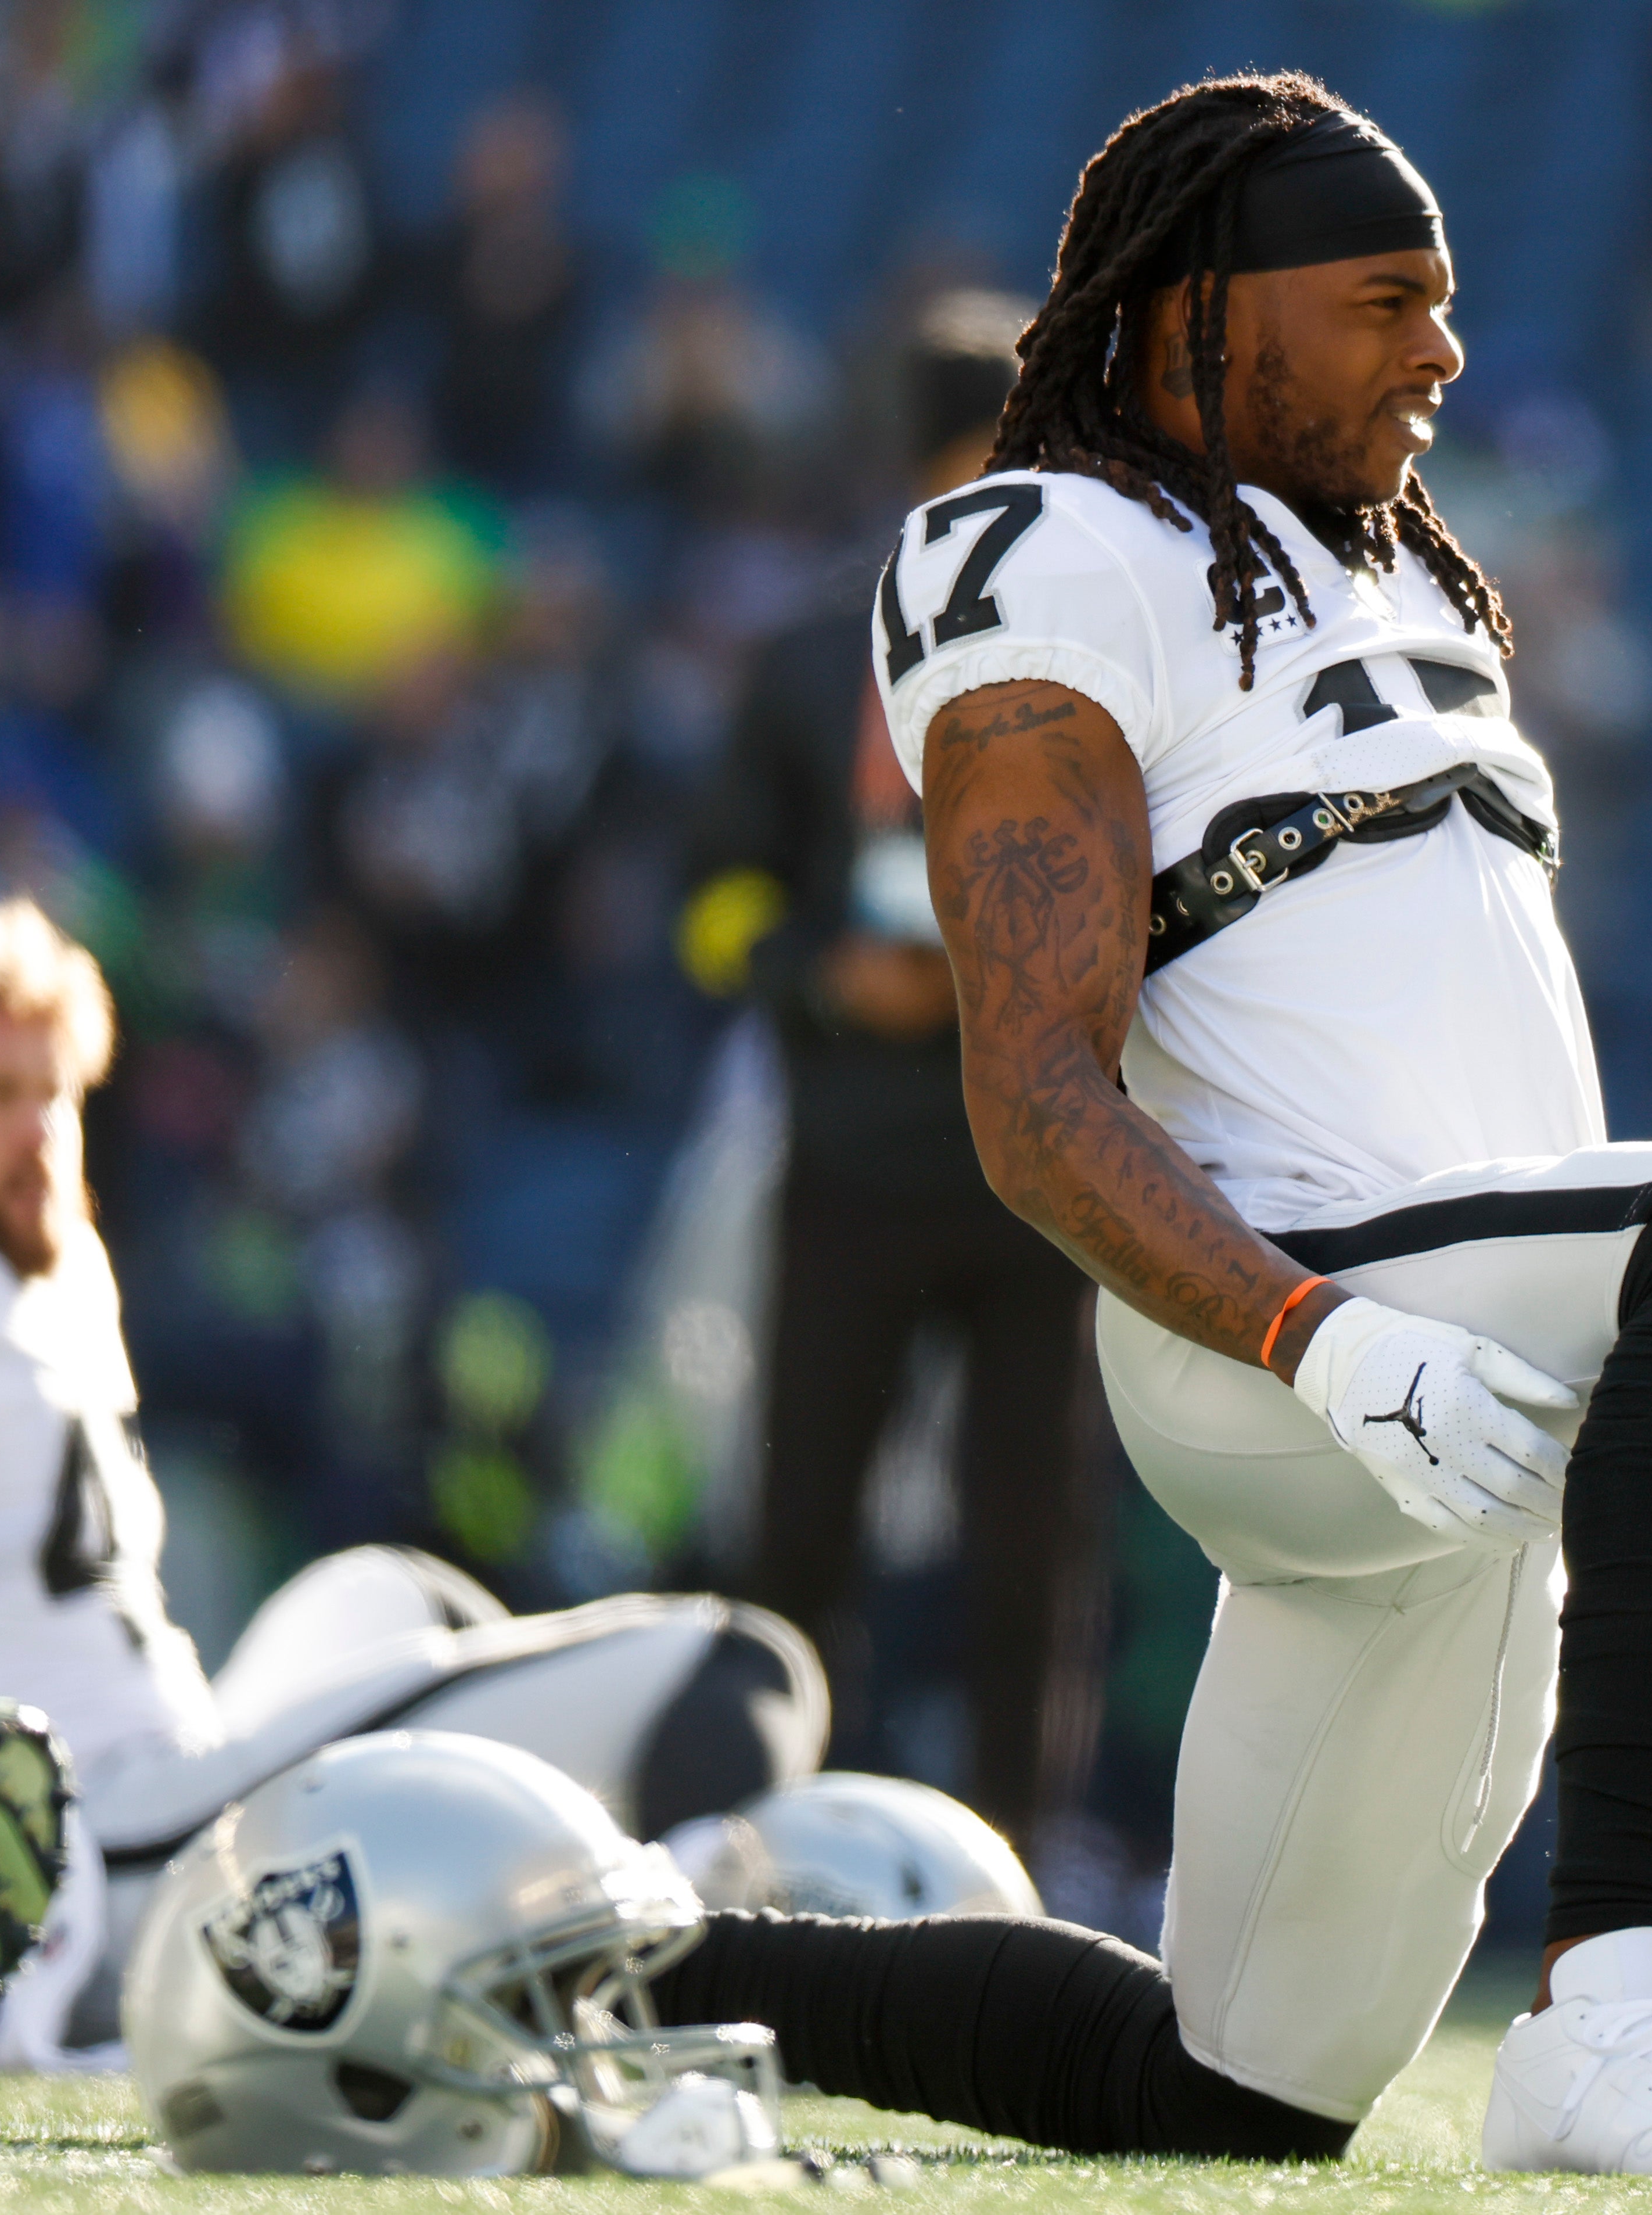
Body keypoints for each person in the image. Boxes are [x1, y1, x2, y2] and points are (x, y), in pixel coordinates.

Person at [636, 73, 1652, 2178]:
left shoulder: (1400, 582)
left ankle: (614, 1965)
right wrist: (1321, 1335)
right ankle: (1605, 1996)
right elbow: (1029, 1095)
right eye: (1385, 299)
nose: (1444, 351)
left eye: (1448, 302)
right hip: (1279, 1325)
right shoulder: (1040, 544)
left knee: (1233, 2096)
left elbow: (1462, 1086)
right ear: (1197, 312)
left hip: (1466, 1397)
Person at [0, 894, 825, 2101]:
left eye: (55, 1092)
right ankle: (668, 1980)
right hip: (75, 1866)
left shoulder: (23, 1258)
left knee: (400, 1591)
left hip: (151, 1793)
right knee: (737, 1669)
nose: (44, 1134)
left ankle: (538, 1919)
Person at [695, 291, 1111, 1847]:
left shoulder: (1102, 662)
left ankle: (1022, 1853)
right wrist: (817, 967)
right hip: (858, 1148)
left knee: (1035, 1545)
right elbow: (713, 891)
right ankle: (761, 1838)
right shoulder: (813, 657)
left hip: (1042, 1164)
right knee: (798, 1528)